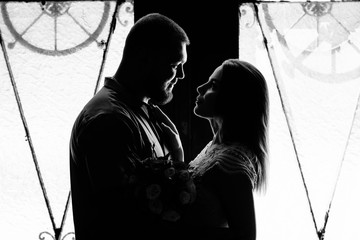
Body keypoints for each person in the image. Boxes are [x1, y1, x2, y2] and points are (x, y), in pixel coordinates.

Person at [69, 13, 190, 240]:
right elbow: (124, 220)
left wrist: (177, 154)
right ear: (144, 58)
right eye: (175, 65)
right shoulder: (109, 120)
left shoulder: (142, 111)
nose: (181, 76)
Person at [161, 59, 269, 239]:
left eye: (213, 85)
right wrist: (176, 151)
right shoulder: (215, 146)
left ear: (234, 99)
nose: (200, 88)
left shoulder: (231, 161)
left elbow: (245, 236)